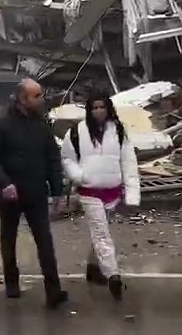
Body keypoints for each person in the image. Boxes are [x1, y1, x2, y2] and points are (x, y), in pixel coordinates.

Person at [0, 78, 68, 309]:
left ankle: (53, 290)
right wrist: (4, 183)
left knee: (44, 239)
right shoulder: (2, 123)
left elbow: (52, 156)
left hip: (36, 190)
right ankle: (11, 282)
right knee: (9, 237)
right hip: (10, 193)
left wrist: (57, 190)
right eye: (36, 96)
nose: (41, 99)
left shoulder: (41, 123)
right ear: (22, 98)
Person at [60, 95, 140, 301]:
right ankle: (113, 274)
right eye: (94, 107)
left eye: (101, 107)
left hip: (112, 191)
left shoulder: (119, 130)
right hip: (89, 191)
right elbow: (67, 158)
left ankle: (93, 268)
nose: (98, 111)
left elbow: (128, 161)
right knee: (102, 234)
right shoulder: (77, 132)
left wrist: (132, 194)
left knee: (100, 231)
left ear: (108, 108)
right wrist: (80, 176)